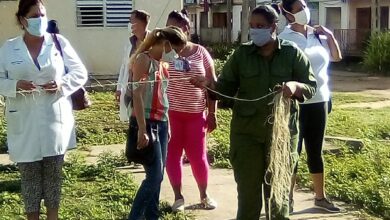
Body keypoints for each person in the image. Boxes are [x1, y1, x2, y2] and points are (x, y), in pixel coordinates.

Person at [191, 5, 317, 220]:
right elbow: (226, 91)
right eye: (252, 26)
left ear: (274, 27)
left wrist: (295, 87)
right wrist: (209, 85)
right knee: (248, 198)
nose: (255, 31)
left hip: (282, 137)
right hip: (246, 136)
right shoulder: (242, 54)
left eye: (260, 26)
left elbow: (310, 86)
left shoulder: (292, 53)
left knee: (278, 199)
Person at [0, 0, 88, 219]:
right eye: (34, 15)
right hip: (24, 120)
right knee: (29, 180)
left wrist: (61, 85)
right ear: (22, 19)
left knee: (52, 180)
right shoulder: (9, 48)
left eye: (42, 14)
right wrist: (14, 86)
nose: (40, 19)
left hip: (54, 120)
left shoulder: (58, 42)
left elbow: (79, 73)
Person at [278, 0, 342, 213]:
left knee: (315, 150)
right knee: (293, 152)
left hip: (321, 100)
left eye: (305, 6)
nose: (305, 11)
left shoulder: (318, 35)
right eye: (299, 8)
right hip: (297, 103)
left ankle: (320, 198)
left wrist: (330, 36)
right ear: (288, 14)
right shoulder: (284, 38)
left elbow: (336, 57)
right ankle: (287, 199)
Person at [127, 26, 187, 220]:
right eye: (174, 49)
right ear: (165, 44)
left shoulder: (163, 64)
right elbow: (136, 94)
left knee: (158, 176)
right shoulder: (143, 59)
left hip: (161, 122)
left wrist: (167, 124)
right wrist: (142, 129)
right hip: (146, 122)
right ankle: (134, 216)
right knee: (154, 176)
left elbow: (163, 96)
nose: (175, 54)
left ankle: (152, 216)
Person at [165, 10, 218, 211]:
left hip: (196, 115)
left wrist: (212, 113)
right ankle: (178, 197)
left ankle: (204, 195)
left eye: (174, 28)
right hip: (171, 115)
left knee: (198, 157)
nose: (168, 32)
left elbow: (213, 84)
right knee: (172, 155)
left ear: (186, 29)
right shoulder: (164, 52)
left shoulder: (201, 53)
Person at [115, 10, 150, 122]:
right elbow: (124, 67)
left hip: (147, 91)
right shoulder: (130, 43)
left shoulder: (153, 42)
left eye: (131, 21)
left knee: (146, 119)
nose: (129, 24)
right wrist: (119, 88)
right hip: (130, 89)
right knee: (133, 120)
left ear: (139, 23)